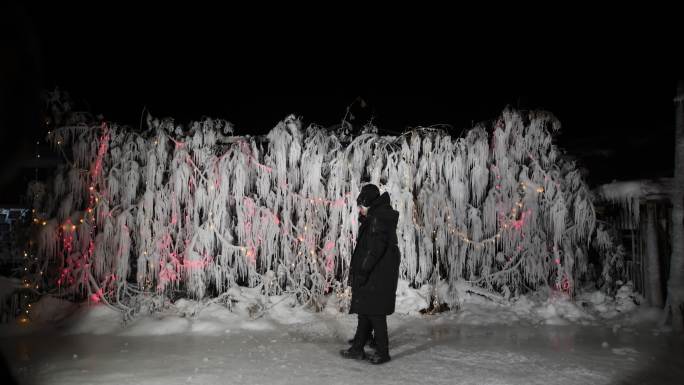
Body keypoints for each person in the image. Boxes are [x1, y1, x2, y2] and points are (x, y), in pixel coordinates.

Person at [340, 184, 400, 365]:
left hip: (376, 276)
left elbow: (372, 252)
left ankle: (383, 352)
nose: (360, 210)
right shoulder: (376, 218)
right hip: (377, 275)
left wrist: (362, 272)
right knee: (366, 311)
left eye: (362, 206)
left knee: (375, 314)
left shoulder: (377, 220)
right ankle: (358, 347)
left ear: (370, 204)